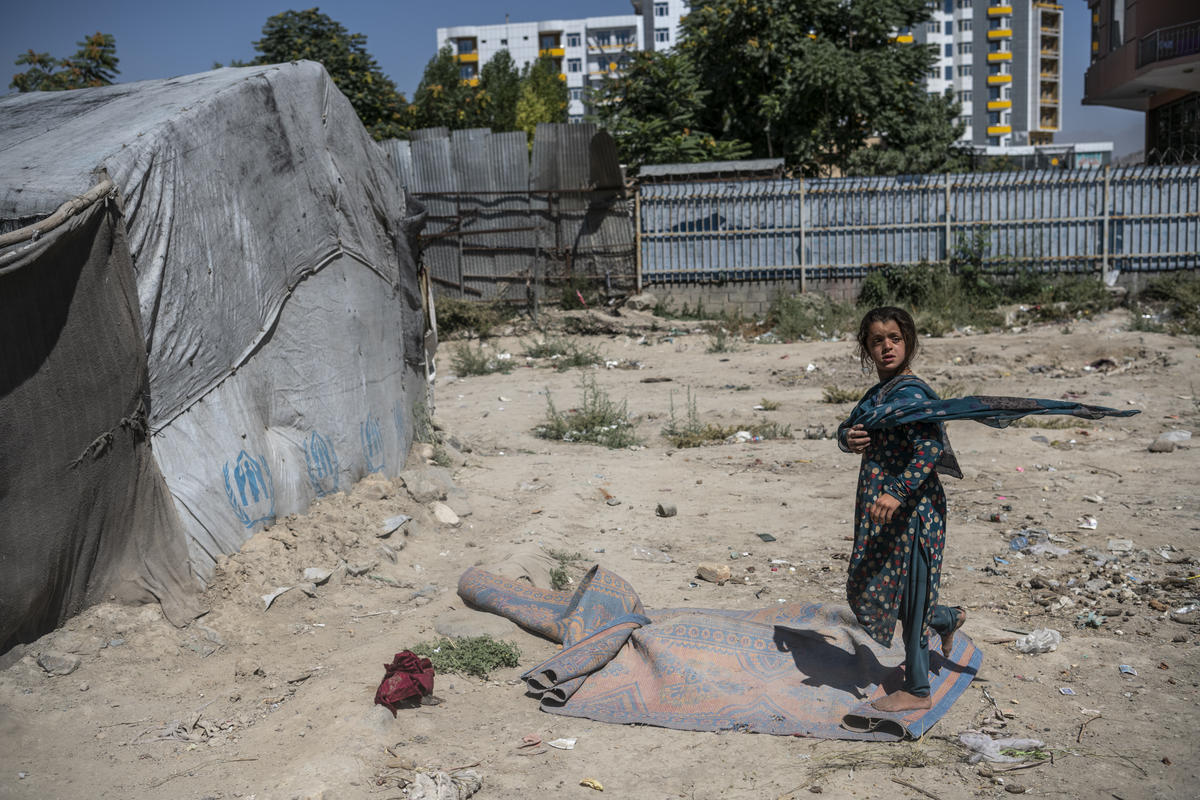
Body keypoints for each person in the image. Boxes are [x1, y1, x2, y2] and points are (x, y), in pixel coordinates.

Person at [837, 306, 965, 712]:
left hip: (915, 511)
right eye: (877, 340)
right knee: (884, 590)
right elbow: (853, 424)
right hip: (884, 514)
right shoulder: (879, 395)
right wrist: (849, 437)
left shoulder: (911, 394)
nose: (886, 346)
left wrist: (897, 490)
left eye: (894, 338)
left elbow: (928, 447)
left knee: (911, 593)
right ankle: (946, 620)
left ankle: (917, 689)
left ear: (908, 341)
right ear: (867, 348)